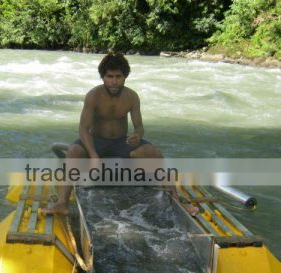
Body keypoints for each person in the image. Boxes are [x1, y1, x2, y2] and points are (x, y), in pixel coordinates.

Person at [42, 53, 198, 216]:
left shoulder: (131, 97)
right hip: (96, 142)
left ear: (125, 77)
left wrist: (137, 134)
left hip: (122, 142)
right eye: (110, 76)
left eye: (119, 76)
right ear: (103, 77)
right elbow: (83, 129)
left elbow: (139, 127)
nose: (114, 81)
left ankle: (176, 200)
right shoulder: (93, 96)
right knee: (73, 151)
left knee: (154, 153)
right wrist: (94, 155)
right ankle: (62, 203)